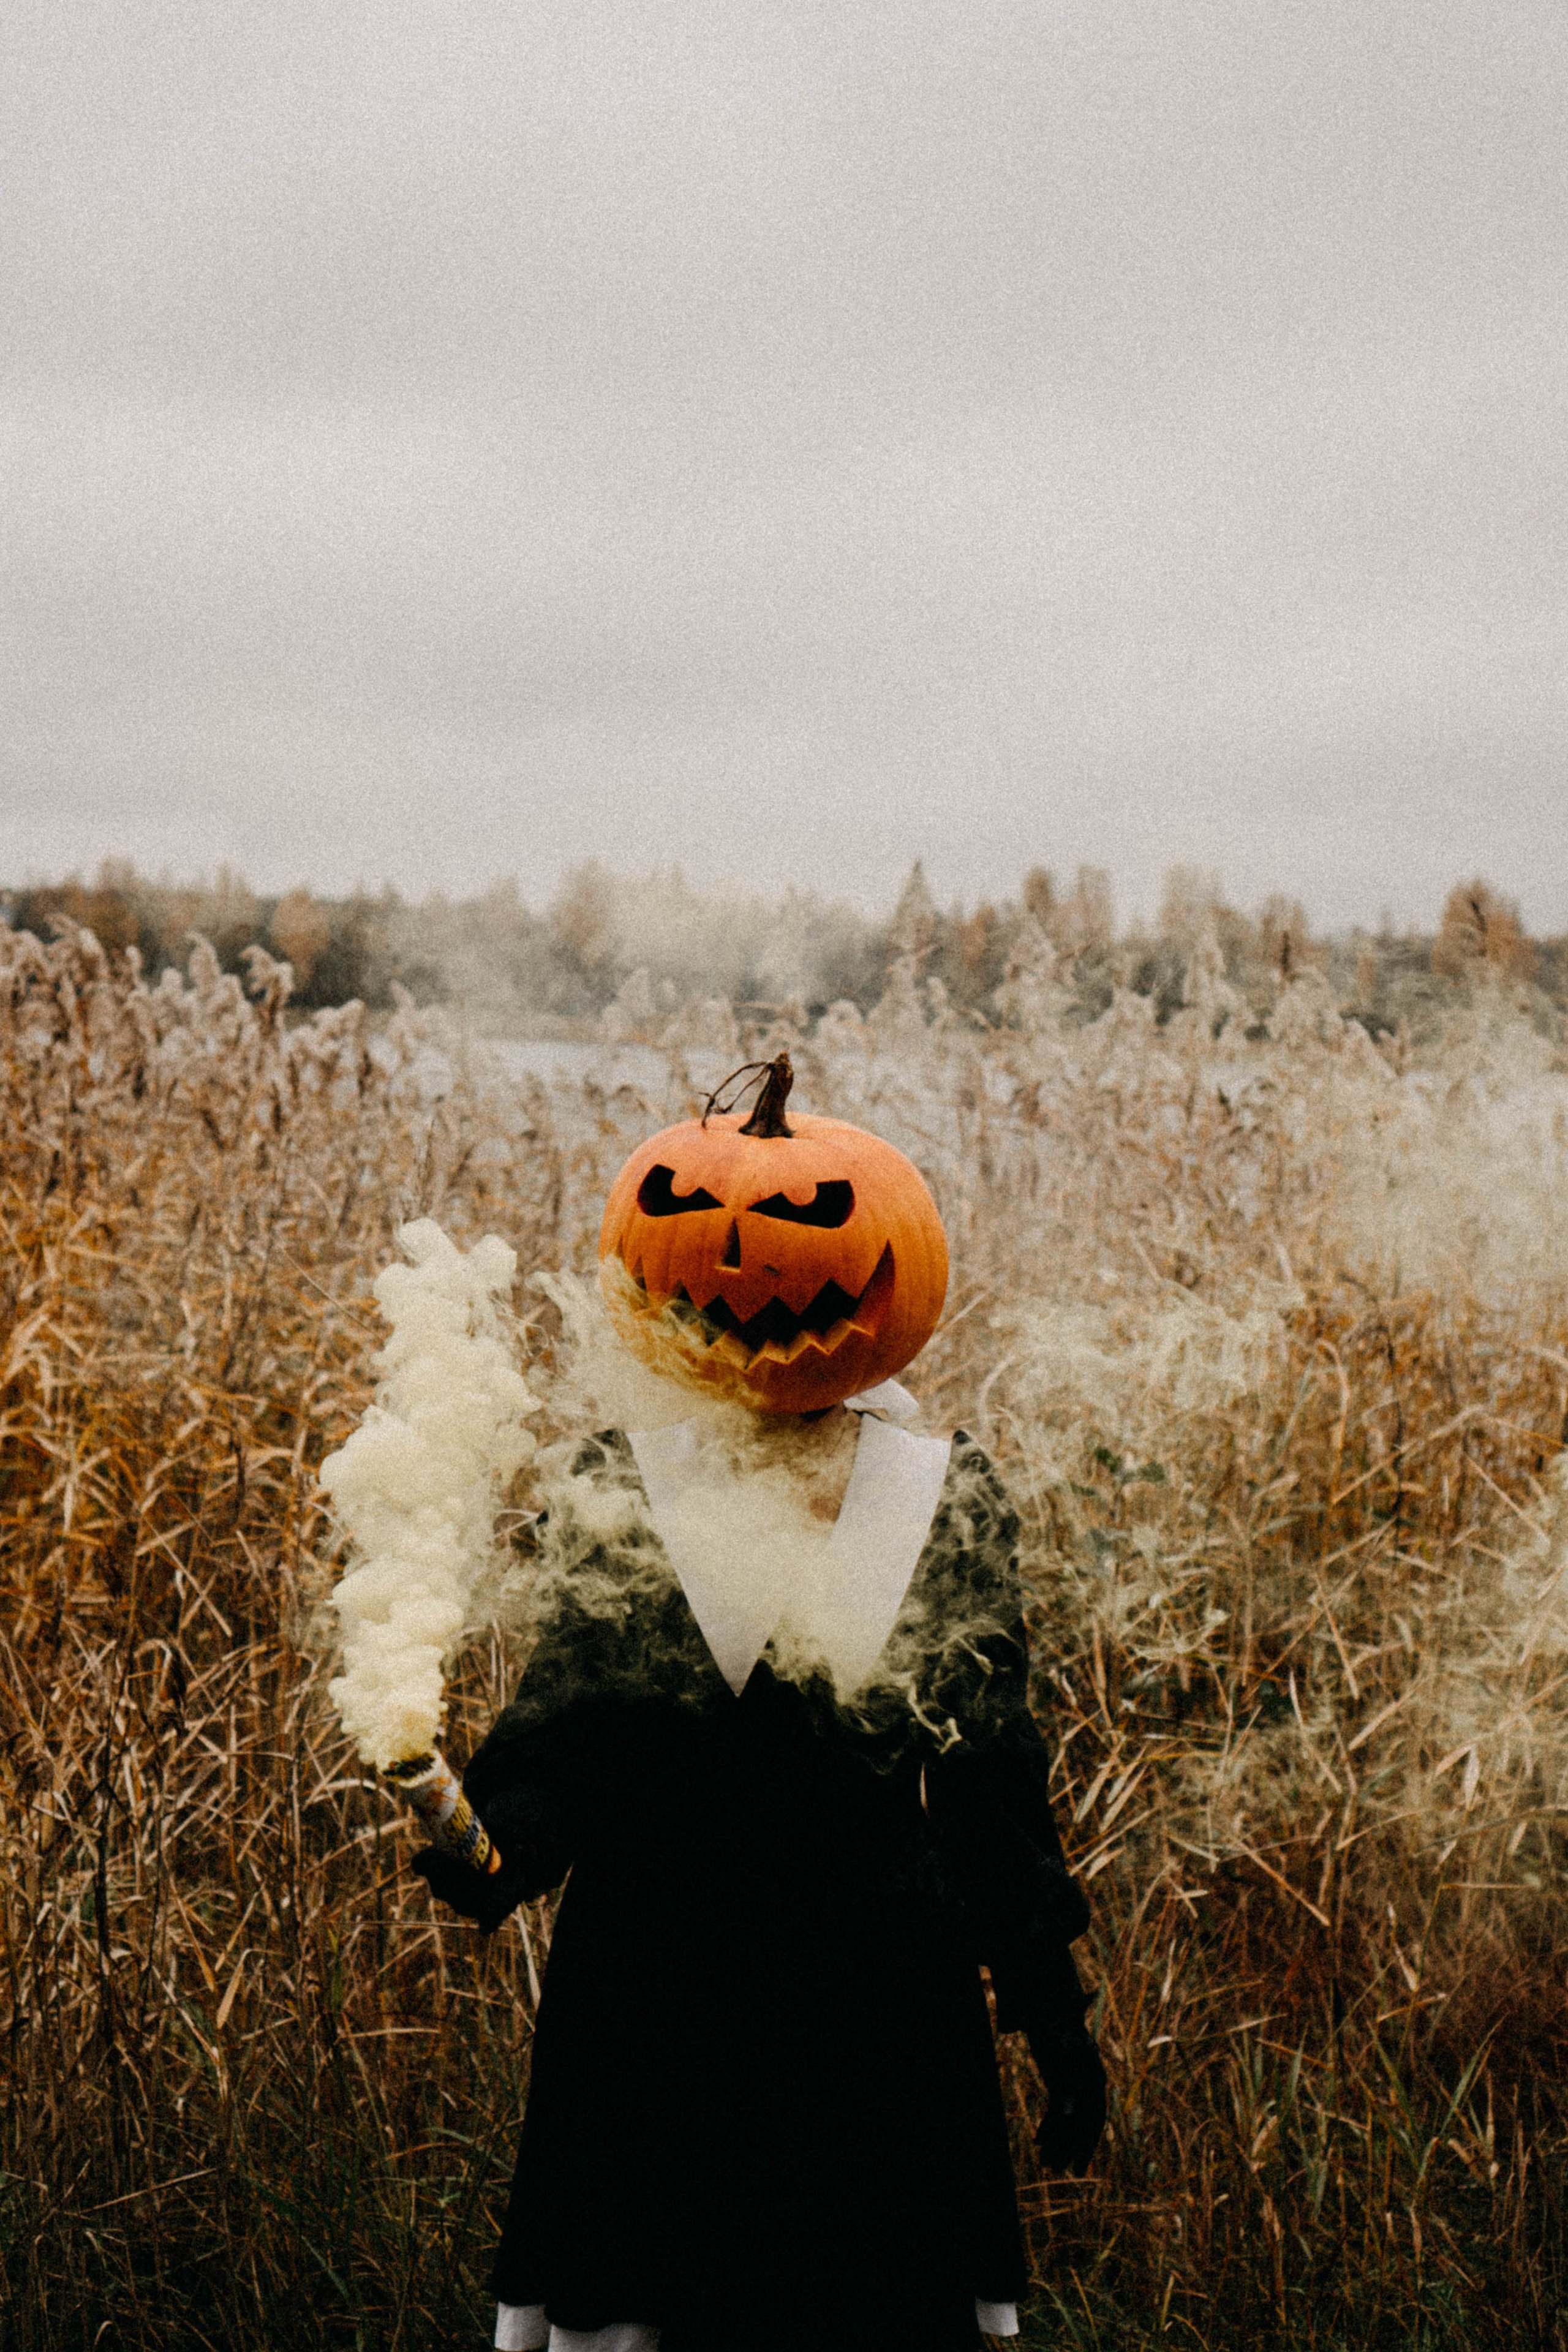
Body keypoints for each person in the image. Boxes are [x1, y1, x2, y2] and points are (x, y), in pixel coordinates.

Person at [415, 1377, 1106, 2352]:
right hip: (655, 1993)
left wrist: (1053, 2015)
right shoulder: (626, 1479)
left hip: (874, 2006)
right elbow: (569, 1739)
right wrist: (500, 1844)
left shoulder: (943, 1492)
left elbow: (990, 1784)